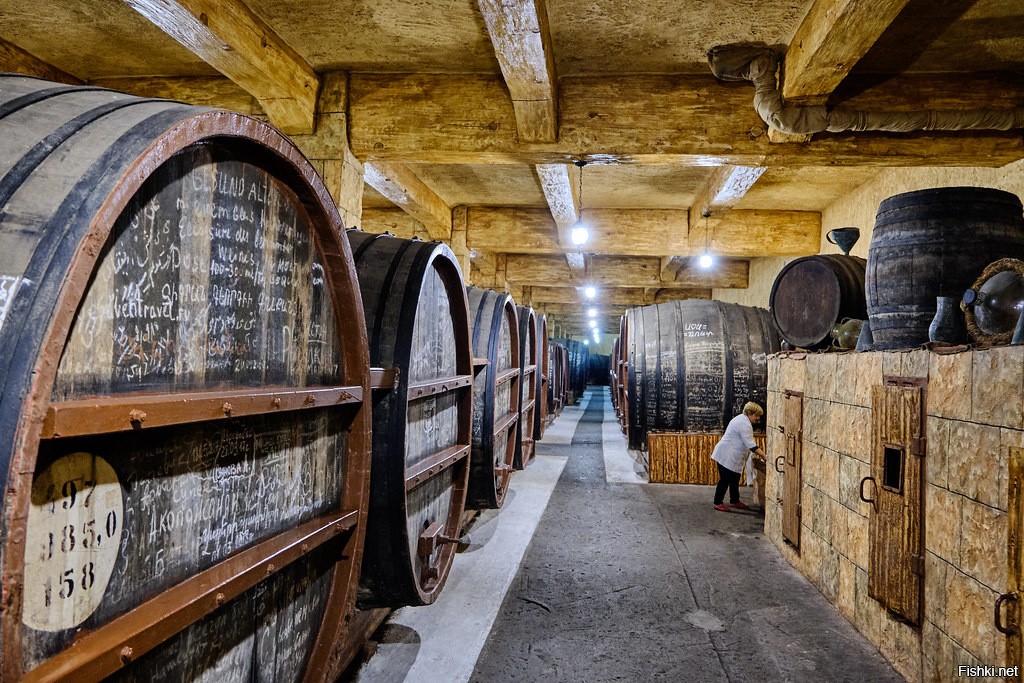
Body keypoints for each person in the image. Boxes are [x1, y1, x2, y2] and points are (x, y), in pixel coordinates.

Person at [711, 401, 766, 511]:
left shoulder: (741, 419)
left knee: (734, 478)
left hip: (730, 454)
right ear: (750, 413)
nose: (758, 418)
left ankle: (735, 500)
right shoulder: (744, 424)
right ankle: (717, 502)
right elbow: (751, 445)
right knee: (725, 479)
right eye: (756, 415)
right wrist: (764, 456)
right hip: (726, 454)